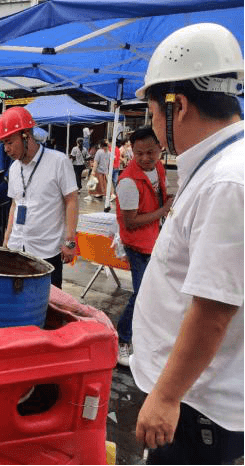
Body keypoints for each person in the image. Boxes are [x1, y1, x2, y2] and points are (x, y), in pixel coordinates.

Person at [131, 23, 243, 464]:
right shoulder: (219, 167)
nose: (154, 128)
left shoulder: (228, 181)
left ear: (179, 106)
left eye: (154, 113)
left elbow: (214, 309)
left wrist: (166, 395)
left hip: (197, 408)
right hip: (191, 398)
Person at [0, 106, 79, 289]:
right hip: (17, 248)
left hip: (46, 250)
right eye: (4, 143)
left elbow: (72, 200)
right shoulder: (13, 168)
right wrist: (6, 239)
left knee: (49, 305)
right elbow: (15, 204)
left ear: (26, 135)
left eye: (10, 142)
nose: (6, 149)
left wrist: (70, 240)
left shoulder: (58, 162)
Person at [114, 126, 172, 366]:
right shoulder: (128, 182)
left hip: (155, 239)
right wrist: (163, 210)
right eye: (139, 154)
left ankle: (146, 339)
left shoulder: (159, 168)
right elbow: (130, 222)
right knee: (140, 294)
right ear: (132, 153)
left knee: (156, 292)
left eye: (150, 152)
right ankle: (122, 340)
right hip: (138, 245)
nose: (145, 158)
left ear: (160, 148)